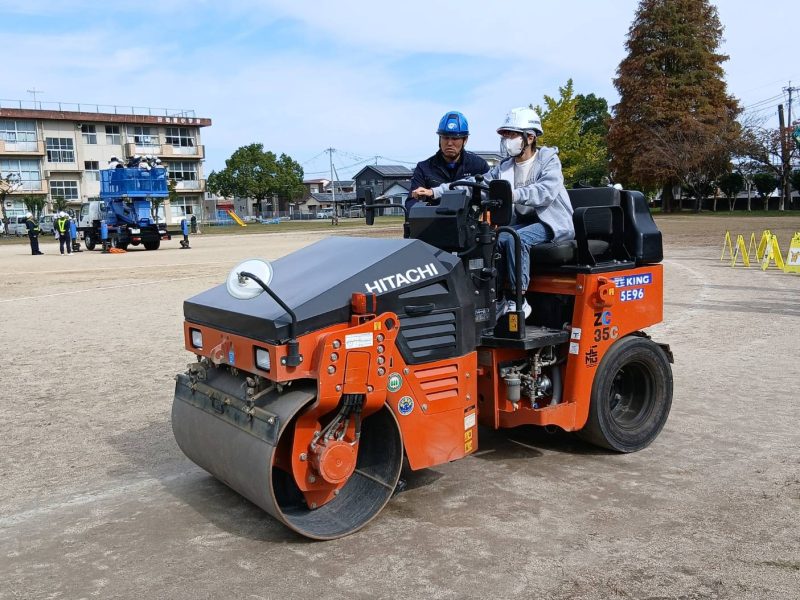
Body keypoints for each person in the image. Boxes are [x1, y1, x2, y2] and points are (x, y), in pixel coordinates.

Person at [412, 106, 574, 318]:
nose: (507, 140)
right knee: (490, 238)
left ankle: (518, 300)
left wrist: (510, 194)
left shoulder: (548, 160)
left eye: (512, 135)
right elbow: (473, 184)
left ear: (531, 137)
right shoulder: (505, 167)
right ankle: (491, 298)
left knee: (515, 238)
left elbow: (545, 191)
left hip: (551, 223)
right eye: (505, 135)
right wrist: (435, 192)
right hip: (523, 222)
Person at [406, 111, 489, 210]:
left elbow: (491, 197)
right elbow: (411, 202)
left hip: (470, 223)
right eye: (445, 137)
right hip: (434, 222)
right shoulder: (424, 168)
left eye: (455, 138)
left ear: (465, 140)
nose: (449, 143)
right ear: (439, 139)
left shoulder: (479, 166)